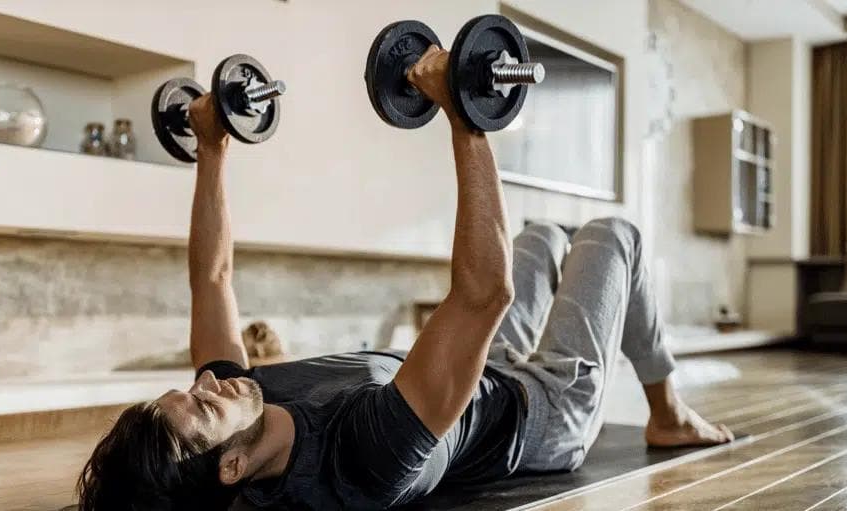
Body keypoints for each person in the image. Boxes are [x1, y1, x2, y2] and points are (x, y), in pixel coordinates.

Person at [77, 46, 733, 511]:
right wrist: (463, 115)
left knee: (539, 236)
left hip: (494, 365)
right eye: (201, 406)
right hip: (544, 409)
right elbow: (483, 294)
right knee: (612, 235)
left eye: (188, 388)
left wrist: (213, 150)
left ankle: (654, 389)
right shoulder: (360, 460)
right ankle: (668, 414)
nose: (207, 381)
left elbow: (211, 277)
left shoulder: (242, 405)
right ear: (230, 466)